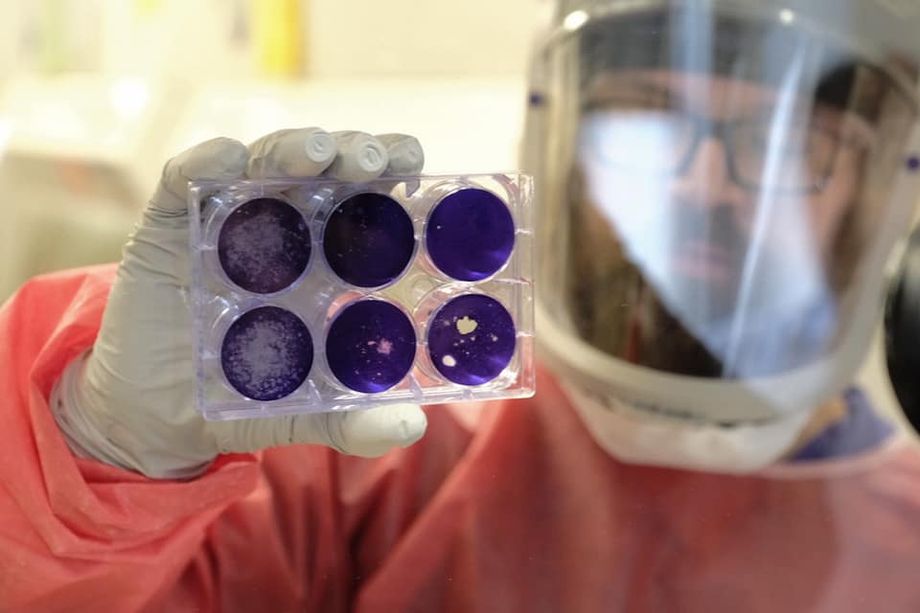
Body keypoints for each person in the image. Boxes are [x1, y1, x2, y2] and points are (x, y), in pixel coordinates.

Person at [3, 1, 920, 610]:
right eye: (645, 120)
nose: (704, 182)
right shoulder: (369, 443)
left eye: (794, 144)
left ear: (880, 192)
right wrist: (99, 463)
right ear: (556, 140)